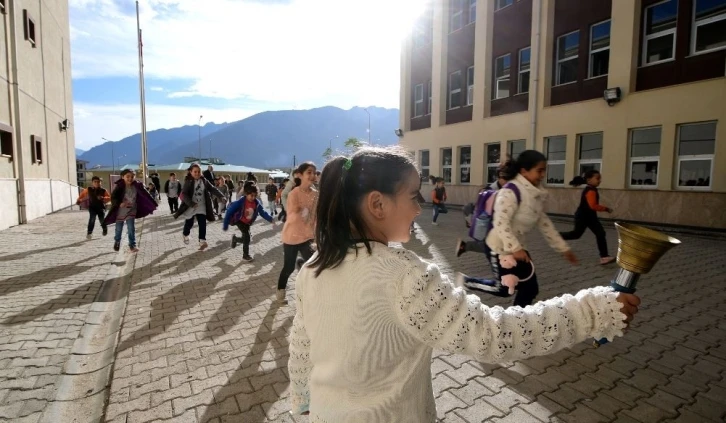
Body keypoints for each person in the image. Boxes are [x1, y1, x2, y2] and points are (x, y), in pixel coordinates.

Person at [287, 146, 640, 421]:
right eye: (414, 195)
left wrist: (302, 399)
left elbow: (303, 347)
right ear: (377, 204)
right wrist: (594, 309)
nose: (420, 208)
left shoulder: (313, 268)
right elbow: (493, 334)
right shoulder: (404, 276)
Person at [455, 150, 578, 307]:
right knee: (505, 288)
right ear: (524, 171)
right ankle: (466, 281)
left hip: (518, 249)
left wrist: (563, 249)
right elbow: (501, 223)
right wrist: (515, 248)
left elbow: (544, 223)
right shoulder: (510, 192)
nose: (542, 175)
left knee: (530, 289)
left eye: (544, 171)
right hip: (499, 247)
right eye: (539, 170)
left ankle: (518, 319)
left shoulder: (535, 194)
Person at [277, 163, 317, 305]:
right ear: (300, 175)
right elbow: (291, 215)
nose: (313, 175)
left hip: (307, 237)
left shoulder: (315, 195)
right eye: (309, 172)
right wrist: (299, 211)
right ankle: (281, 291)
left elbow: (316, 217)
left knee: (314, 265)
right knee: (288, 267)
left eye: (314, 172)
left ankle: (311, 294)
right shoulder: (294, 193)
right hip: (291, 237)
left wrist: (316, 235)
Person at [560, 170, 616, 265]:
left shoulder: (591, 189)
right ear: (589, 180)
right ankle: (557, 237)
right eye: (597, 178)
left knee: (600, 233)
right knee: (576, 235)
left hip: (589, 217)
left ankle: (604, 257)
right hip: (583, 217)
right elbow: (593, 206)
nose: (600, 180)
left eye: (600, 178)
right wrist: (606, 209)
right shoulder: (590, 191)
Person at [104, 169, 157, 252]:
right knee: (119, 229)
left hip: (132, 210)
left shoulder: (137, 185)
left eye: (132, 176)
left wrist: (153, 203)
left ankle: (132, 245)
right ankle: (117, 241)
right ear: (123, 177)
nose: (130, 178)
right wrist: (119, 203)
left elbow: (146, 194)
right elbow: (113, 197)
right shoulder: (120, 186)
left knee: (131, 228)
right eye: (127, 176)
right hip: (120, 211)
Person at [175, 164, 224, 251]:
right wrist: (191, 203)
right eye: (195, 172)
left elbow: (212, 188)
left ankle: (202, 241)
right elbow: (183, 194)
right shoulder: (188, 181)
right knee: (189, 223)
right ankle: (185, 234)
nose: (197, 173)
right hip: (191, 206)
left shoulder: (204, 180)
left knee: (202, 223)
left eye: (199, 171)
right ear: (191, 172)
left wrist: (221, 196)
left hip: (201, 206)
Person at [222, 182, 276, 261]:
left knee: (245, 238)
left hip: (247, 223)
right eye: (251, 195)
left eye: (255, 195)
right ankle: (245, 255)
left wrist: (270, 219)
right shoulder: (241, 202)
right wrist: (226, 223)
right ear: (246, 194)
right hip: (239, 221)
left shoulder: (256, 203)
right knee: (247, 237)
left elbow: (262, 212)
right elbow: (230, 210)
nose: (253, 197)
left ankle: (235, 239)